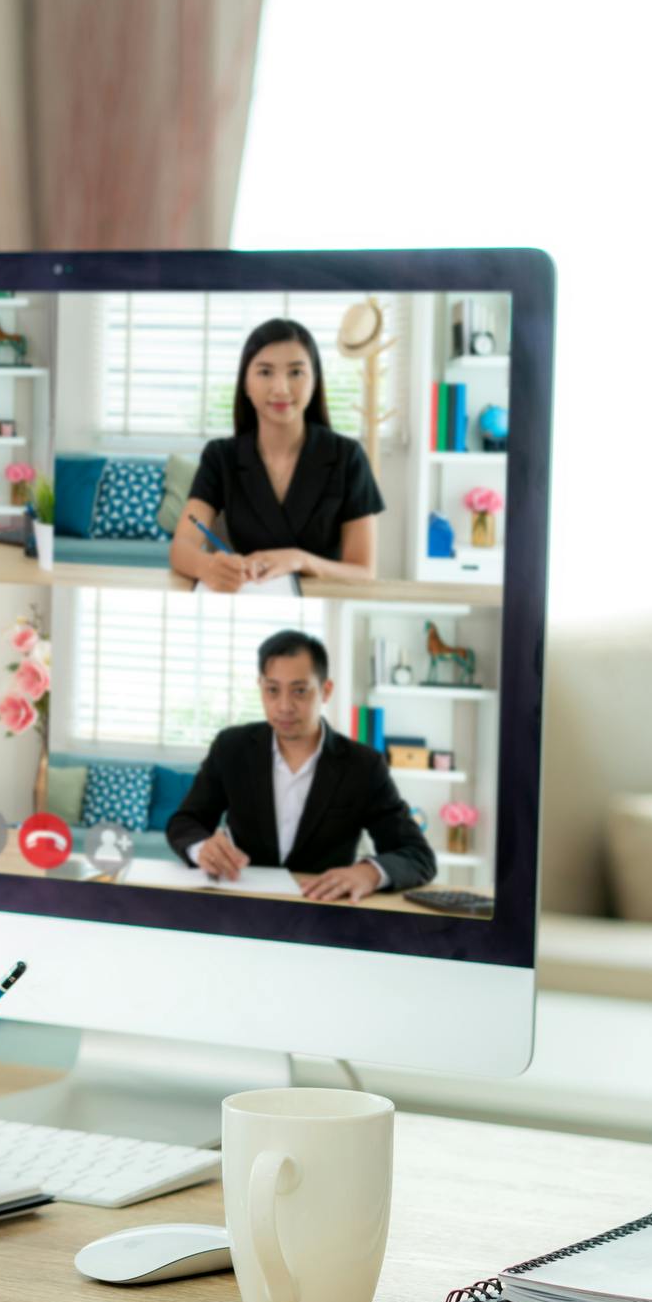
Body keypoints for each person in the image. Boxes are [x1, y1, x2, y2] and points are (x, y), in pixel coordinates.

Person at [163, 630, 436, 902]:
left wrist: (369, 873)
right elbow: (186, 820)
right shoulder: (231, 747)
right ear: (260, 687)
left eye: (300, 691)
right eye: (272, 690)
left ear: (325, 690)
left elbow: (417, 855)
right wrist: (202, 849)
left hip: (323, 911)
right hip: (243, 904)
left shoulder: (363, 766)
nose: (284, 706)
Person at [170, 317, 384, 591]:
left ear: (315, 381)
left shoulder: (348, 457)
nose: (281, 388)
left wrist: (298, 560)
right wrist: (207, 566)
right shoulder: (220, 456)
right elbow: (182, 547)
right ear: (245, 384)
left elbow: (364, 572)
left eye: (295, 372)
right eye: (265, 372)